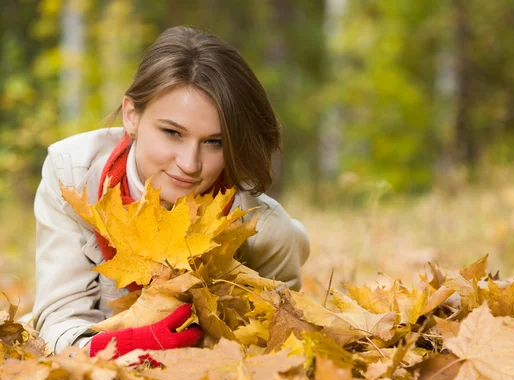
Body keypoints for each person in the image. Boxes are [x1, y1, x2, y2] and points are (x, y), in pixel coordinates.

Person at [32, 26, 310, 356]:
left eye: (213, 142)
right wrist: (122, 347)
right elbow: (58, 320)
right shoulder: (73, 175)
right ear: (131, 115)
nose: (190, 164)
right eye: (172, 133)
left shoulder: (264, 230)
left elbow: (277, 339)